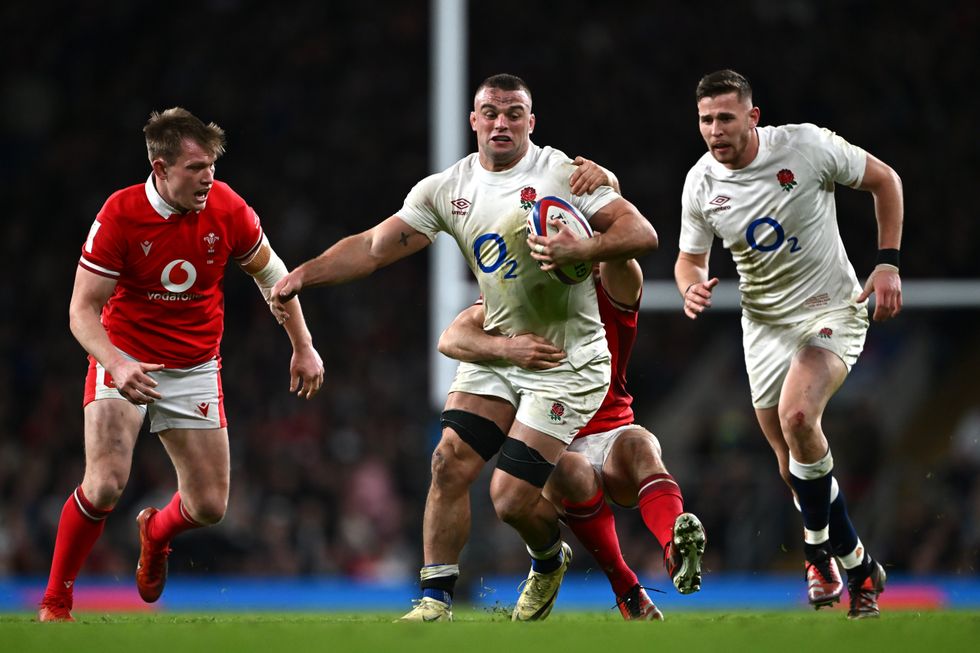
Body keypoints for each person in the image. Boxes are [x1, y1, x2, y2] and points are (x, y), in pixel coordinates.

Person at [271, 73, 658, 621]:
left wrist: (586, 244)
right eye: (490, 112)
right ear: (473, 120)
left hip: (562, 359)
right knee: (448, 460)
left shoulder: (564, 174)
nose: (501, 122)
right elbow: (374, 247)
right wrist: (302, 276)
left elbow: (643, 234)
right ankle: (436, 599)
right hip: (501, 344)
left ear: (531, 121)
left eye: (514, 113)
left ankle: (547, 560)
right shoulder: (445, 189)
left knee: (510, 500)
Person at [37, 108, 325, 622]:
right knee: (104, 483)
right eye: (195, 167)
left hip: (194, 364)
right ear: (160, 166)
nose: (208, 177)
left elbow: (273, 277)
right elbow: (81, 311)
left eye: (212, 164)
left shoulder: (227, 207)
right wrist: (117, 364)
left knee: (210, 506)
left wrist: (303, 345)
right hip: (124, 354)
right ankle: (56, 602)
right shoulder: (121, 214)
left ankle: (156, 533)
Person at [674, 70, 903, 619]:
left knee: (800, 416)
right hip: (764, 329)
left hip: (831, 311)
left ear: (753, 116)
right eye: (706, 120)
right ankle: (859, 564)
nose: (714, 130)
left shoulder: (805, 145)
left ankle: (816, 552)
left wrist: (889, 262)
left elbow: (886, 181)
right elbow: (689, 258)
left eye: (725, 118)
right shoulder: (701, 183)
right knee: (791, 463)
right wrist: (690, 287)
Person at [438, 252, 707, 621]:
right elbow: (452, 336)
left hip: (614, 431)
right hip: (552, 437)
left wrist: (599, 235)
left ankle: (673, 550)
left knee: (641, 445)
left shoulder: (613, 280)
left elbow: (627, 246)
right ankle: (626, 587)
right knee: (569, 470)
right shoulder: (524, 292)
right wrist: (507, 348)